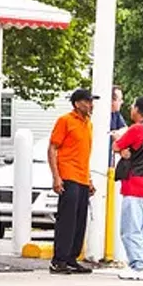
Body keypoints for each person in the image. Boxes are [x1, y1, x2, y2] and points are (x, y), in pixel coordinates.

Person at [47, 87, 97, 275]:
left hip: (82, 176)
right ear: (77, 104)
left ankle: (71, 258)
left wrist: (89, 178)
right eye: (86, 101)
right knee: (66, 219)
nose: (90, 105)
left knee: (79, 220)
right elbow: (53, 148)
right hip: (68, 174)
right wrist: (56, 176)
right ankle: (58, 259)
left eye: (91, 101)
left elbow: (84, 154)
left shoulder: (88, 124)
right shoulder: (65, 121)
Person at [114, 96, 143, 280]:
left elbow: (117, 145)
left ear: (138, 110)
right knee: (142, 227)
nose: (130, 109)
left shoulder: (137, 128)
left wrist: (118, 140)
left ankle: (138, 266)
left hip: (135, 184)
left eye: (132, 106)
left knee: (130, 229)